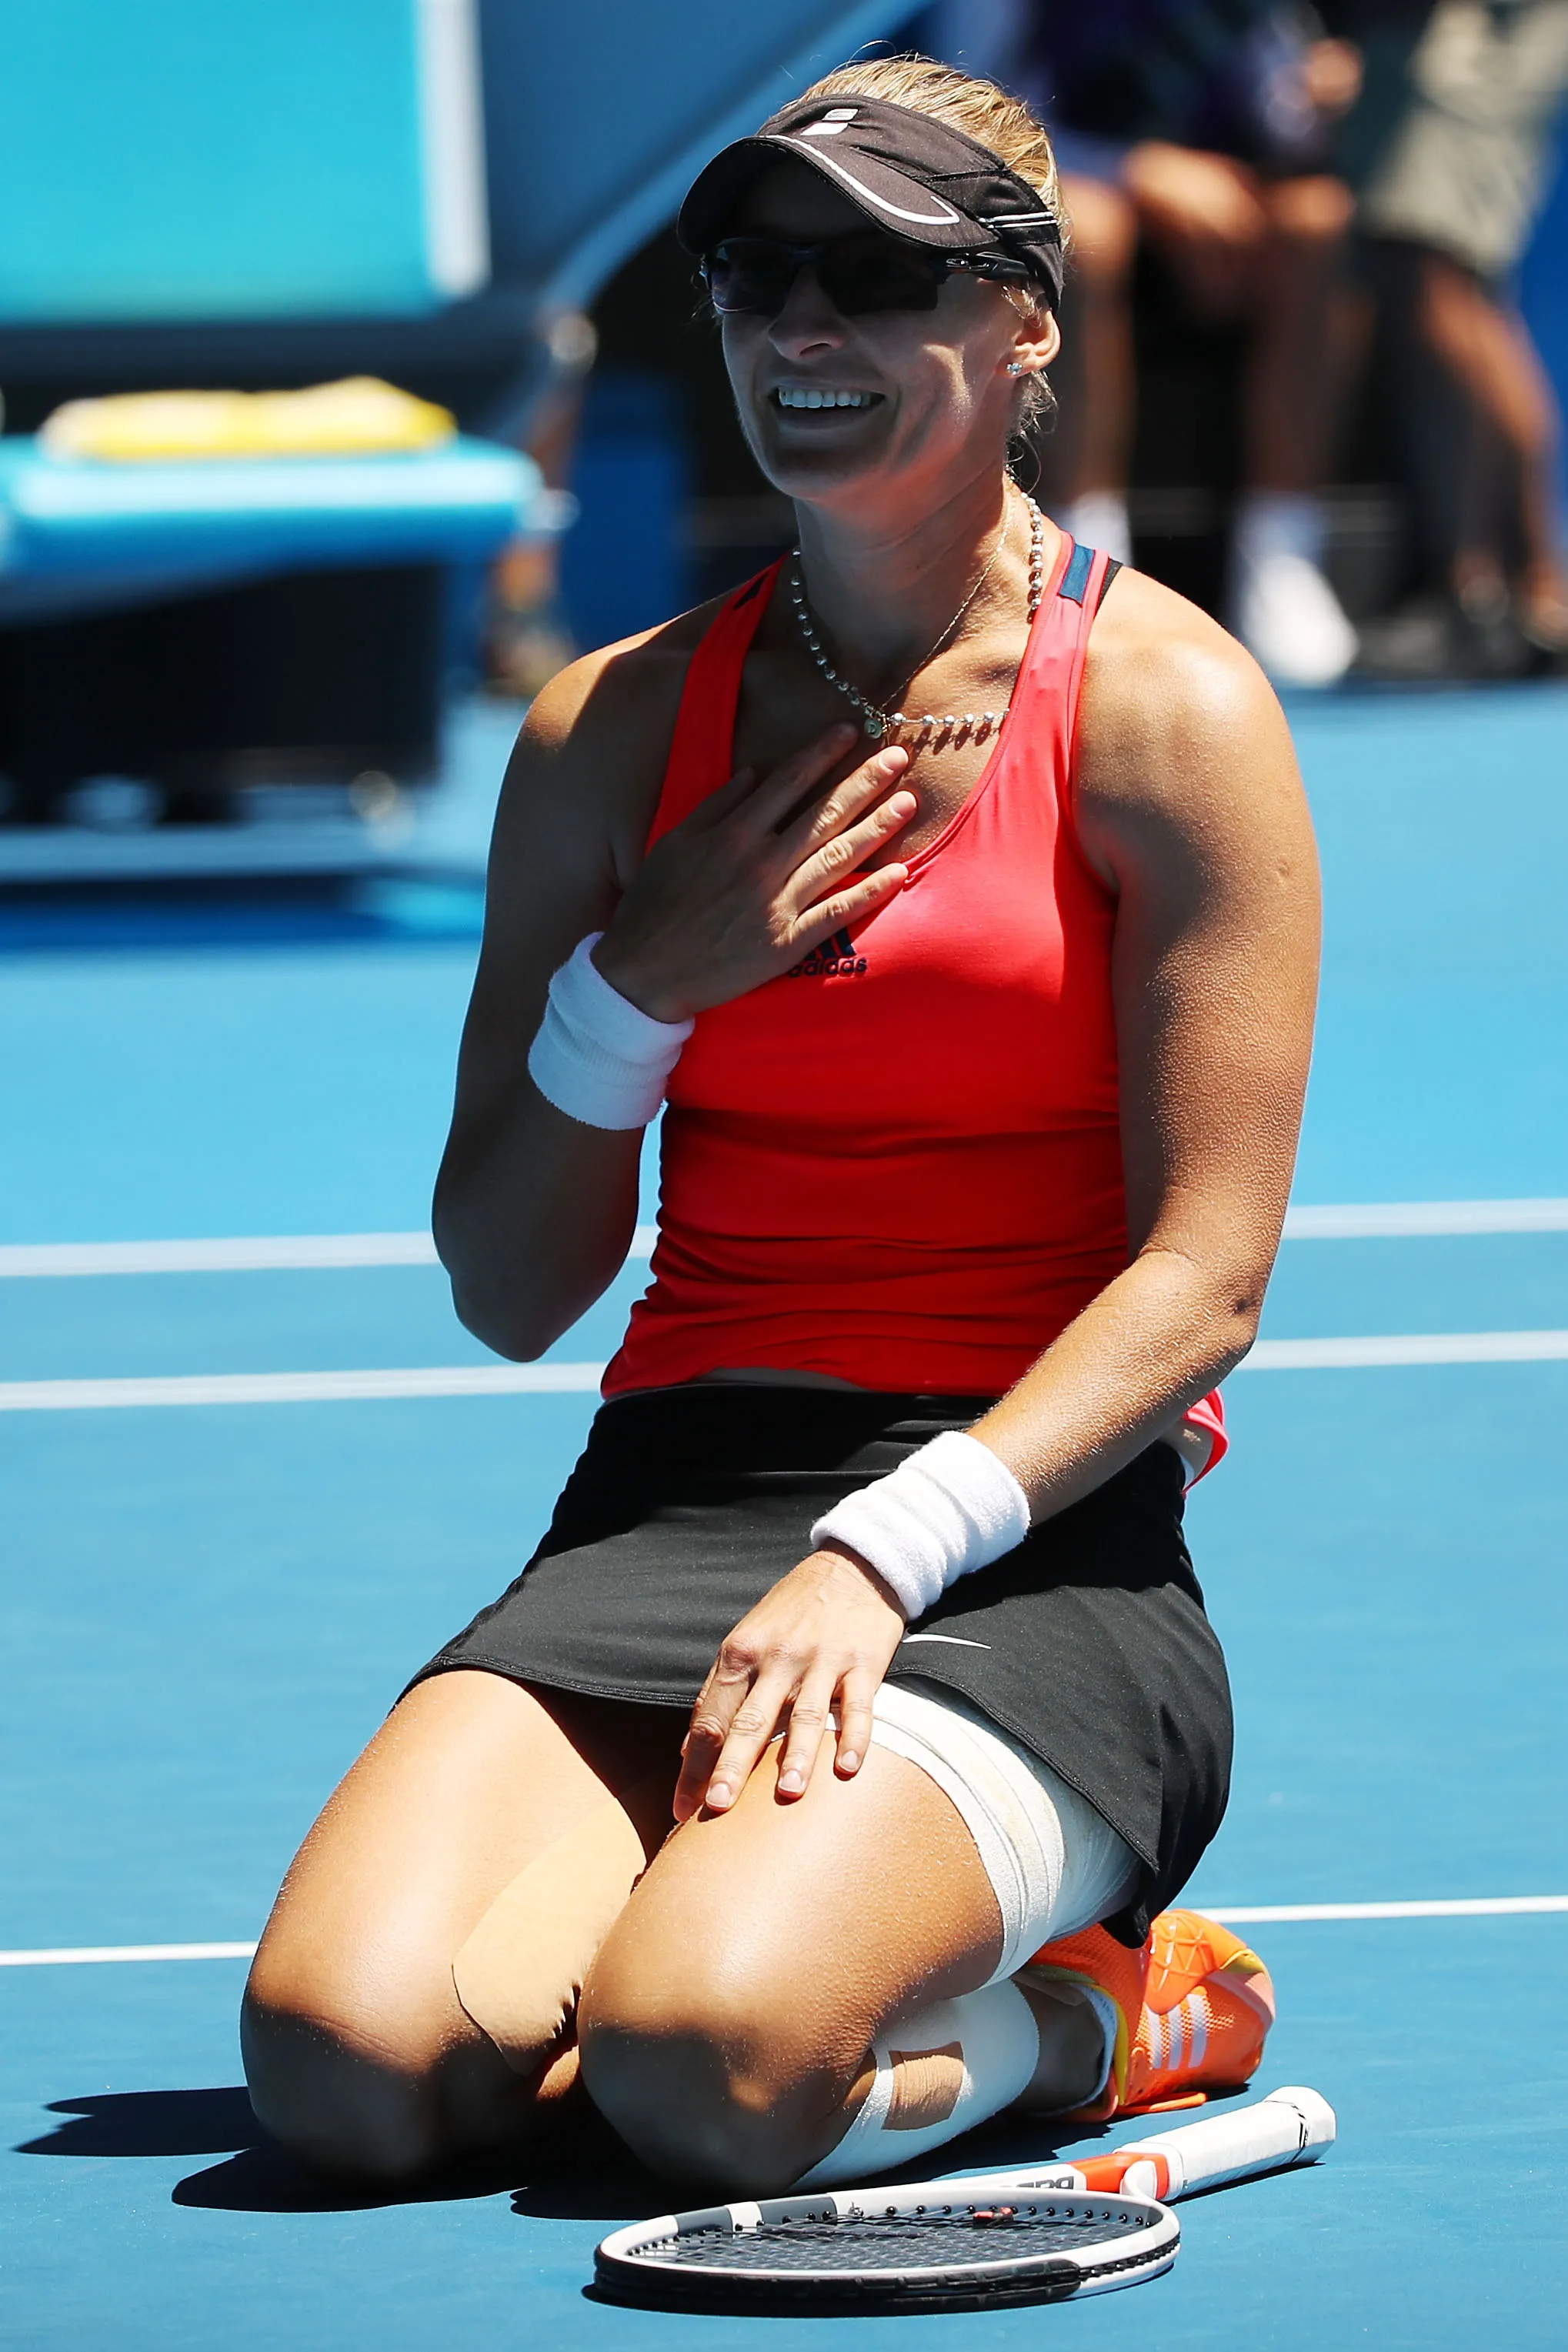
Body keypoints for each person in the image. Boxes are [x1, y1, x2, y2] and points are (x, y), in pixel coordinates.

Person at [240, 56, 1319, 2193]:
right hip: (666, 1510)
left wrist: (878, 1544)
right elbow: (507, 1289)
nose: (797, 331)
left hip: (1024, 1545)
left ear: (1022, 323)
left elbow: (1201, 1281)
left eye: (874, 277)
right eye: (753, 281)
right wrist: (632, 989)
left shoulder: (1168, 715)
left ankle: (1098, 2015)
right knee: (349, 2070)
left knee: (704, 2068)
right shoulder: (608, 730)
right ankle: (747, 1922)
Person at [1019, 0, 1368, 686]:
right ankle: (1084, 569)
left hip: (1221, 213)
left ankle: (1283, 556)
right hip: (1077, 184)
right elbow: (980, 111)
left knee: (1316, 223)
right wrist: (1140, 169)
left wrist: (1319, 95)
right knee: (1087, 229)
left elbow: (1281, 119)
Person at [1348, 0, 1568, 674]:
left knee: (1436, 265)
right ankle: (1511, 592)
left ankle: (1509, 590)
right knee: (1445, 277)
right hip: (1436, 34)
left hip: (1480, 30)